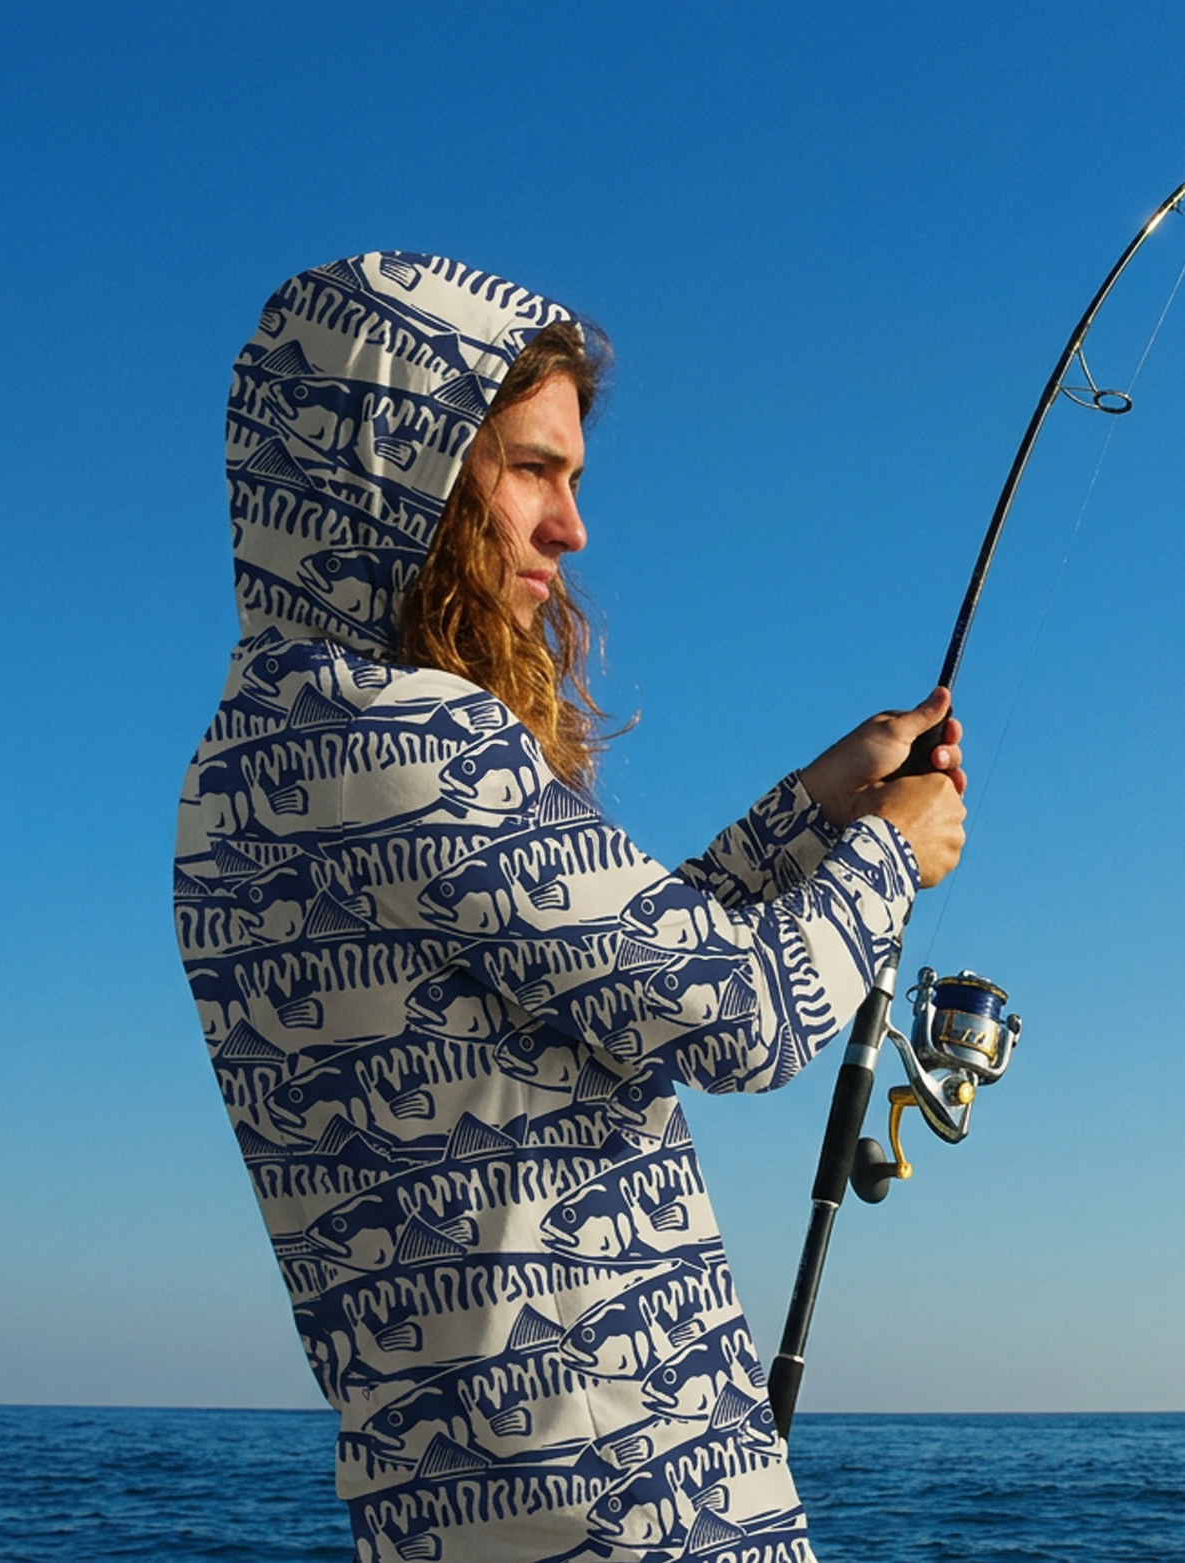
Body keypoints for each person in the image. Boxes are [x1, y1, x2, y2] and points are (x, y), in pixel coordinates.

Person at [174, 252, 965, 1563]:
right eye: (529, 469)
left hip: (451, 1519)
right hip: (627, 1512)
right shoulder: (411, 734)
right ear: (399, 464)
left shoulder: (248, 767)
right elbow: (738, 1021)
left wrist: (815, 807)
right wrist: (888, 855)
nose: (571, 527)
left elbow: (623, 994)